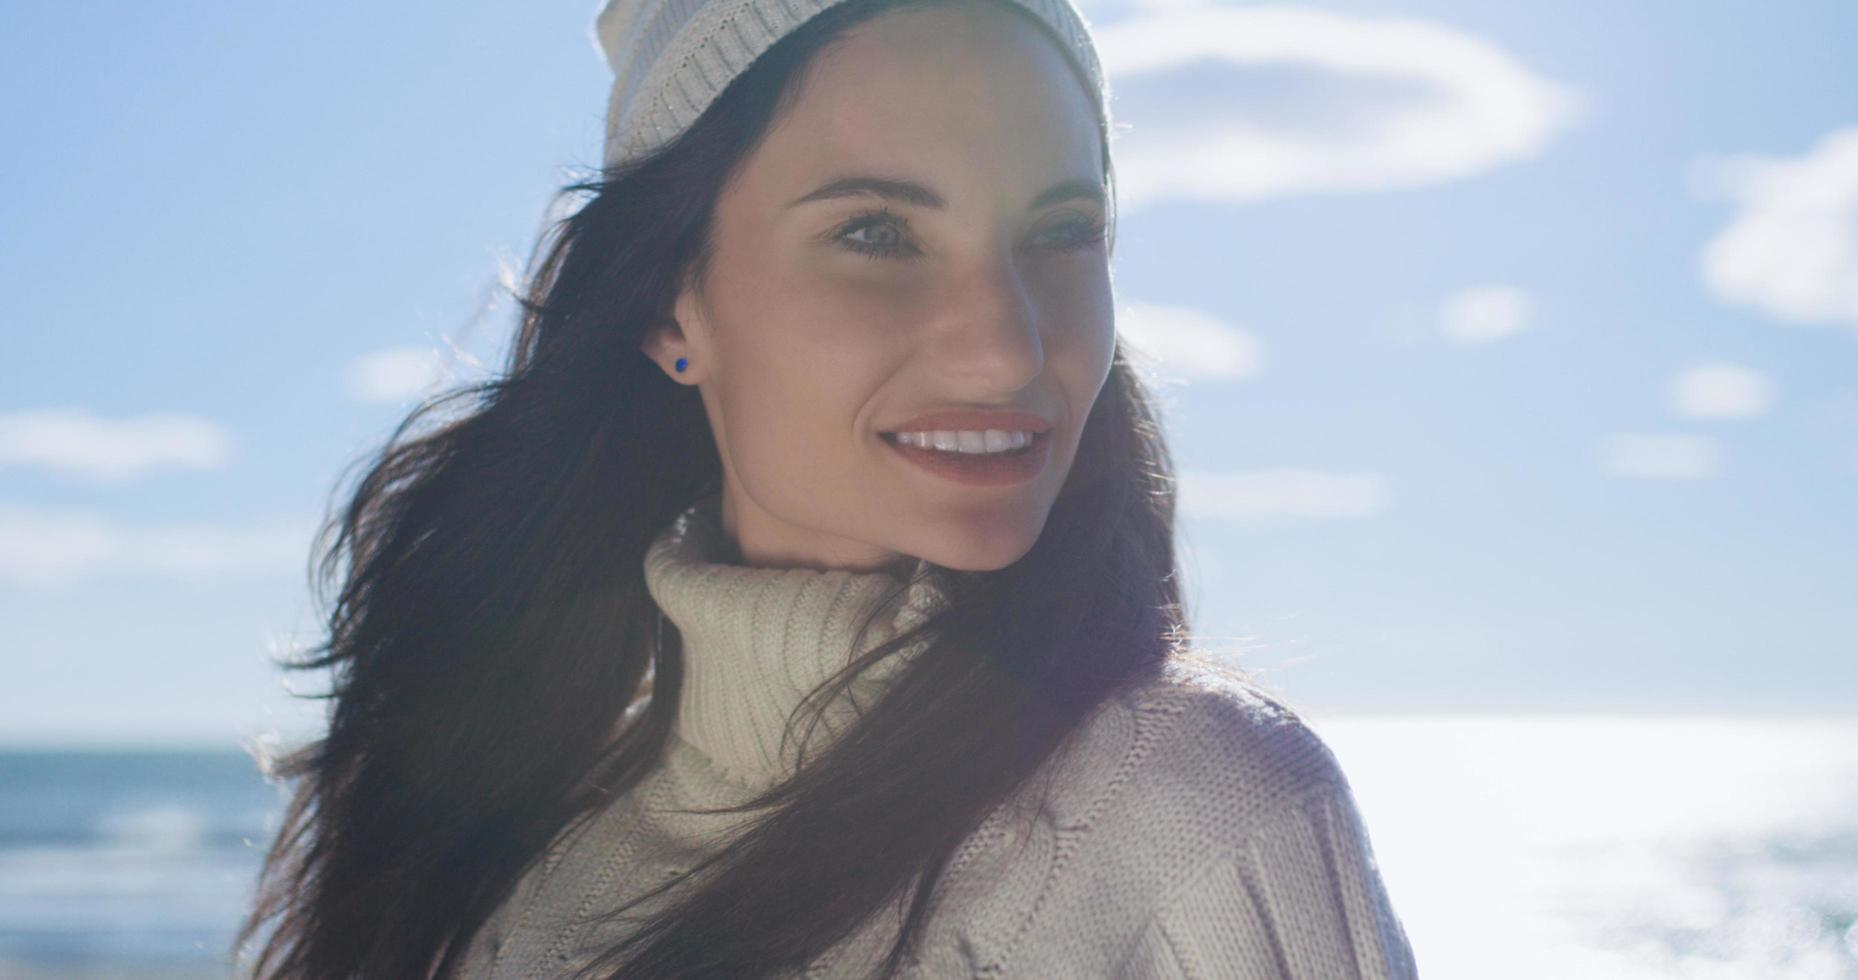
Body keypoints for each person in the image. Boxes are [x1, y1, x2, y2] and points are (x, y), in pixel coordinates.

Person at [236, 0, 1420, 976]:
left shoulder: (1198, 816)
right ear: (668, 303)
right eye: (876, 234)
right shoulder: (509, 835)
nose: (1006, 350)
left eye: (1060, 234)